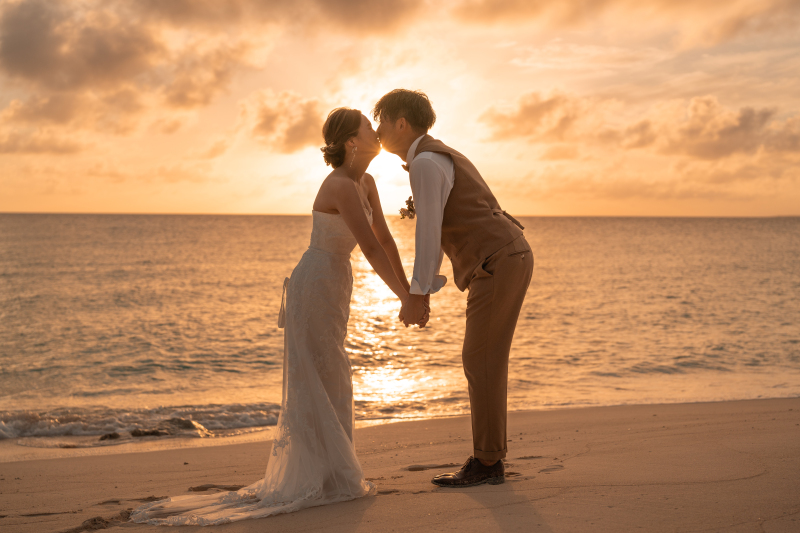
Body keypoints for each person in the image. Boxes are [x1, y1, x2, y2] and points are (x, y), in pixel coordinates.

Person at [131, 108, 415, 525]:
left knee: (333, 371)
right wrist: (407, 301)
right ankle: (325, 474)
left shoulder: (367, 182)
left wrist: (409, 293)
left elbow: (387, 241)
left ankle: (333, 470)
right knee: (323, 373)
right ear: (352, 142)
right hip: (315, 282)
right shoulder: (339, 185)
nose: (376, 132)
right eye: (369, 128)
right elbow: (370, 248)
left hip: (336, 281)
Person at [374, 89, 534, 487]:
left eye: (381, 121)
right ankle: (489, 459)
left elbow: (428, 232)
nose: (377, 130)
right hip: (503, 257)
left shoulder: (426, 162)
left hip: (499, 259)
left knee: (480, 360)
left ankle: (488, 463)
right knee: (483, 359)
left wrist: (419, 294)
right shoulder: (433, 157)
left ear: (401, 123)